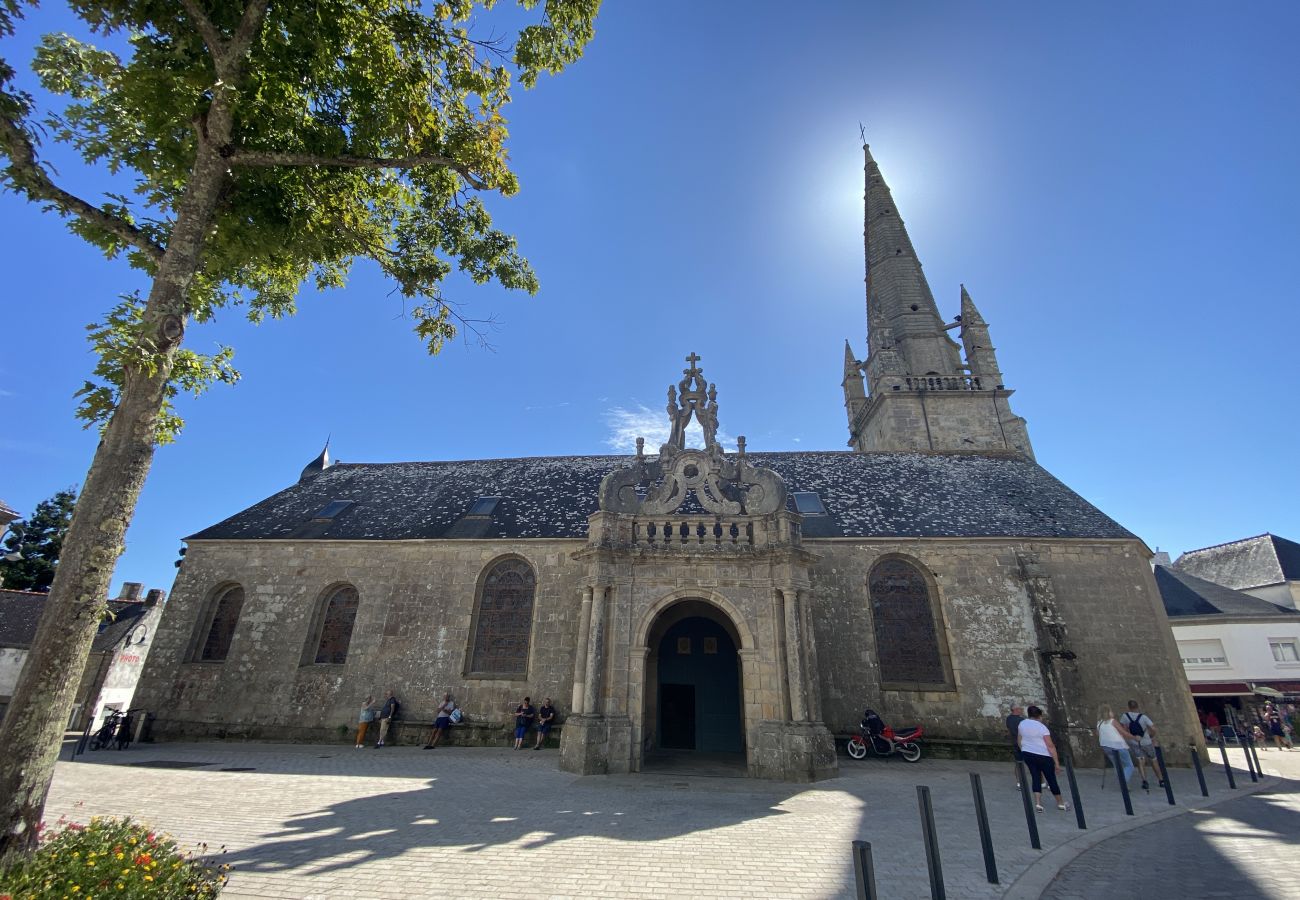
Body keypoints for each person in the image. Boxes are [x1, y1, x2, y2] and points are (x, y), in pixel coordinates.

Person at [1017, 705, 1069, 813]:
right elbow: (1050, 746)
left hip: (1028, 754)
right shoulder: (1042, 728)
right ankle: (1060, 803)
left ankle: (1038, 803)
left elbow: (1019, 739)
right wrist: (1057, 762)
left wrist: (1024, 749)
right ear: (1039, 716)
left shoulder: (1022, 724)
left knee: (1035, 777)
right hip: (1043, 755)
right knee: (1051, 779)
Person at [1121, 699, 1165, 789]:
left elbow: (1124, 729)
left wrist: (1130, 738)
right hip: (1146, 741)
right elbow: (1153, 729)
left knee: (1140, 761)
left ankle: (1144, 781)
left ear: (1129, 707)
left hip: (1135, 742)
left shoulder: (1125, 716)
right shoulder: (1144, 717)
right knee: (1153, 760)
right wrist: (1152, 736)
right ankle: (1161, 780)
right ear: (1137, 707)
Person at [1096, 704, 1135, 787]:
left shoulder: (1099, 723)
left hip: (1106, 746)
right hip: (1118, 745)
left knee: (1117, 765)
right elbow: (1123, 733)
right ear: (1108, 712)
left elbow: (1098, 734)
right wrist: (1134, 737)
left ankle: (1123, 781)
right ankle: (1123, 781)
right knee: (1129, 765)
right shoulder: (1112, 721)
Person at [1005, 704, 1025, 789]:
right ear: (1016, 709)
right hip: (1024, 743)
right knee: (1036, 762)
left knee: (1018, 763)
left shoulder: (1008, 719)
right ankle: (1041, 782)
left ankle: (1019, 783)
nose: (1022, 710)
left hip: (1015, 743)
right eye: (1020, 708)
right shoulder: (1022, 720)